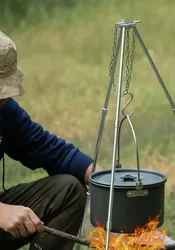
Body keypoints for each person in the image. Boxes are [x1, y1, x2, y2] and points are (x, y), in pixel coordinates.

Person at [0, 31, 103, 250]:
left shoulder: (4, 111)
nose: (3, 99)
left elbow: (51, 151)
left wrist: (105, 179)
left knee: (69, 190)